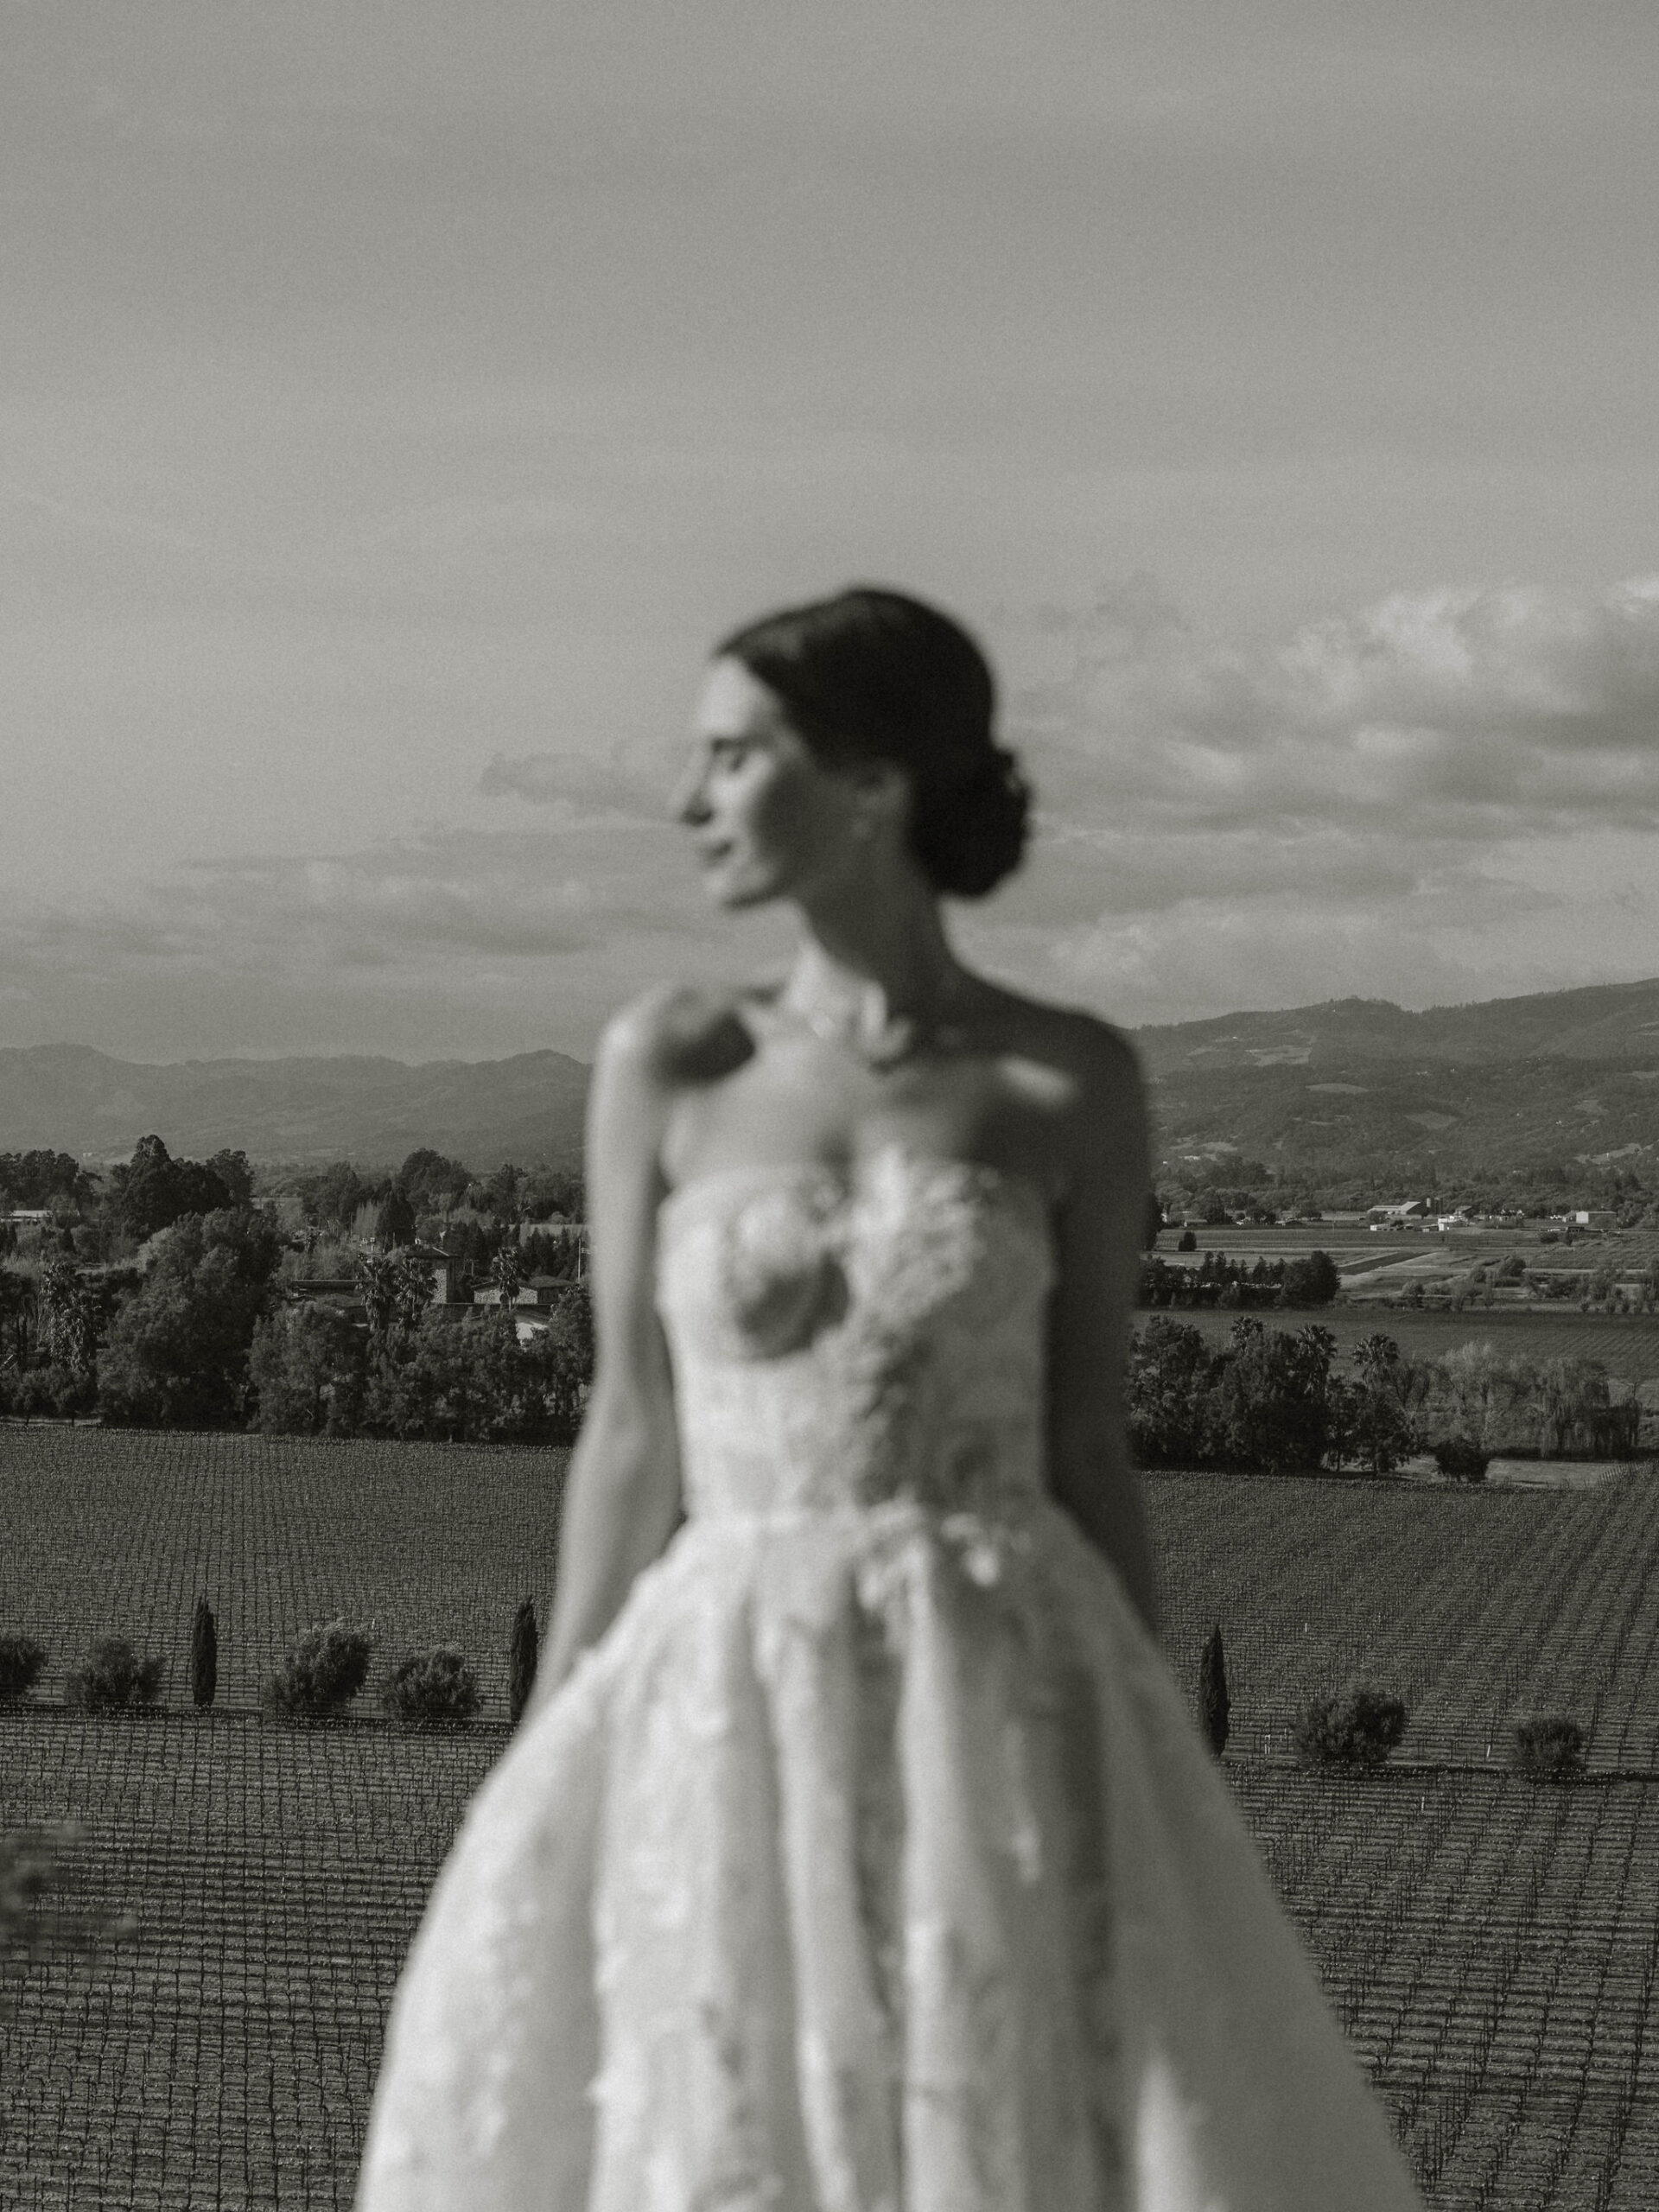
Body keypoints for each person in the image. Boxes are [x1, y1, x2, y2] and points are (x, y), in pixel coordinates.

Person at [356, 588, 1424, 2211]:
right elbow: (632, 1431)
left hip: (995, 1676)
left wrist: (1145, 1766)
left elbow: (1085, 1446)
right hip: (725, 1677)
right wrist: (544, 1754)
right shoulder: (672, 1061)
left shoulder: (1070, 1080)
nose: (686, 801)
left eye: (729, 755)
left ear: (869, 781)